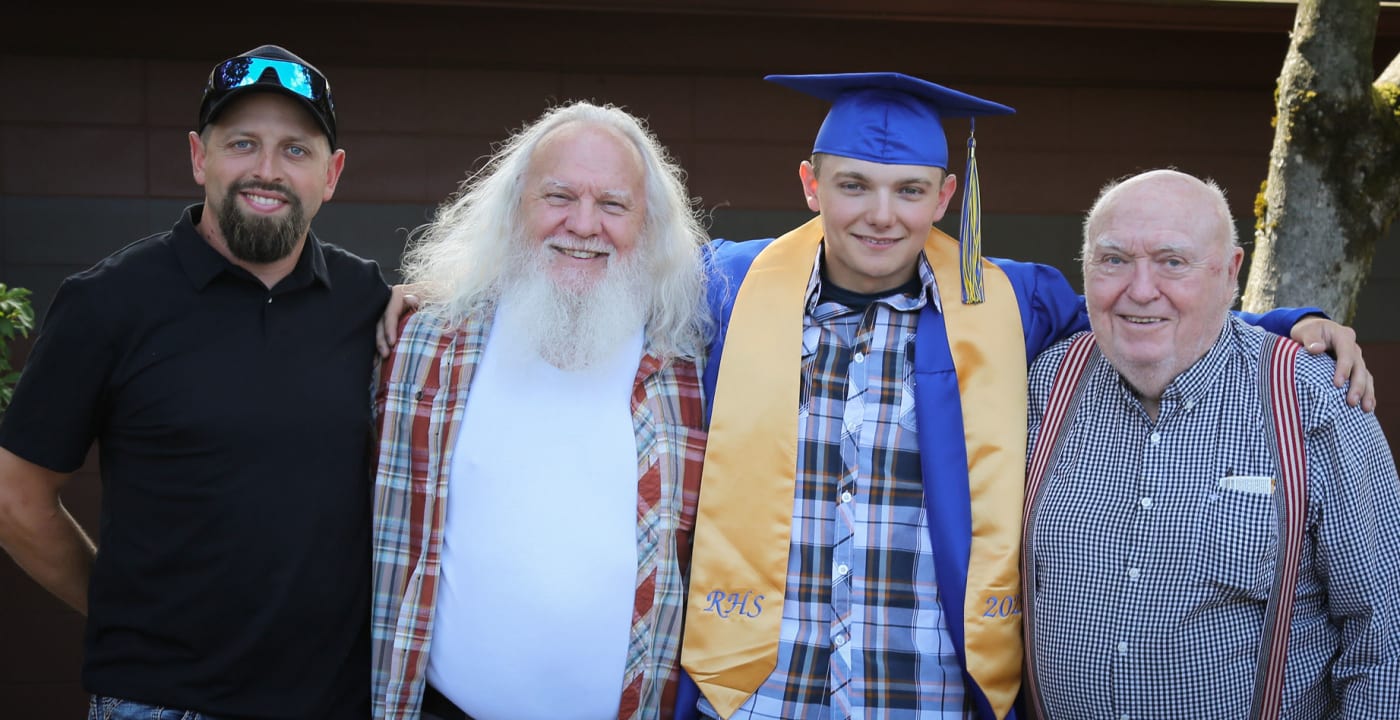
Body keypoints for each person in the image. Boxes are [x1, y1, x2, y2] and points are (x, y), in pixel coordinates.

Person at [677, 73, 1372, 720]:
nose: (881, 215)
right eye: (854, 185)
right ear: (811, 184)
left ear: (946, 196)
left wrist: (1287, 324)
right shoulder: (727, 287)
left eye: (910, 190)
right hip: (757, 692)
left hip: (929, 692)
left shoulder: (1010, 301)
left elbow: (1139, 317)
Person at [0, 45, 388, 718]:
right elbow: (15, 498)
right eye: (242, 143)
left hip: (336, 703)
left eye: (296, 150)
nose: (266, 170)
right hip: (160, 704)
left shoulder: (368, 301)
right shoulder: (109, 303)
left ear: (333, 175)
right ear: (197, 156)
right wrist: (124, 612)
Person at [370, 100, 712, 720]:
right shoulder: (427, 346)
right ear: (514, 207)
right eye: (559, 196)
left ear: (651, 225)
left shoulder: (690, 369)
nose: (584, 225)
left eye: (613, 204)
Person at [1021, 169, 1399, 718]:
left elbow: (1382, 637)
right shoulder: (1045, 385)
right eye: (1113, 260)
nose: (1141, 288)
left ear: (1230, 273)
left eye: (1173, 262)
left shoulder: (1314, 401)